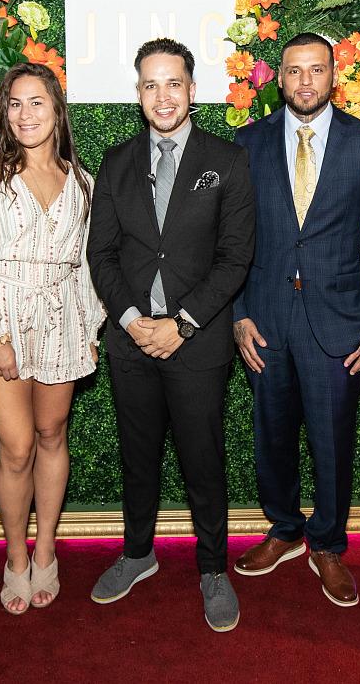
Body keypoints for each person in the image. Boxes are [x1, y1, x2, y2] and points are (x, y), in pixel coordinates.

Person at [232, 33, 360, 607]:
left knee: (333, 444)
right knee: (272, 439)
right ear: (278, 78)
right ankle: (284, 530)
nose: (305, 82)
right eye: (294, 71)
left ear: (333, 75)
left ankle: (327, 544)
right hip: (267, 323)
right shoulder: (247, 143)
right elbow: (229, 241)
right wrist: (237, 314)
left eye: (316, 70)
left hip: (343, 325)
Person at [86, 38, 254, 632]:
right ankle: (138, 553)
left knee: (202, 461)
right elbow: (100, 253)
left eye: (174, 83)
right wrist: (133, 321)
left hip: (197, 342)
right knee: (138, 459)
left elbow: (236, 258)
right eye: (151, 85)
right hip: (131, 344)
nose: (163, 96)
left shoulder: (227, 161)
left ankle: (213, 569)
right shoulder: (114, 163)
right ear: (138, 93)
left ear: (191, 89)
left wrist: (181, 324)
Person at [0, 63, 104, 615]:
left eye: (37, 102)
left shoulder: (82, 182)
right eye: (15, 104)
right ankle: (15, 556)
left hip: (64, 319)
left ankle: (46, 552)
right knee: (15, 447)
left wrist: (90, 325)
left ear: (57, 109)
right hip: (3, 317)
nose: (25, 114)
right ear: (4, 111)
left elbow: (89, 265)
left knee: (50, 433)